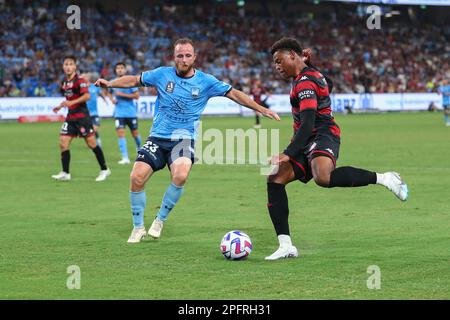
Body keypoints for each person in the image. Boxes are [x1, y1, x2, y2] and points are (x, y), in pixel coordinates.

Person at [95, 38, 280, 243]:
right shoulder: (161, 74)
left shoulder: (206, 81)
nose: (183, 59)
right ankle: (138, 227)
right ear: (174, 58)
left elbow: (234, 94)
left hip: (184, 139)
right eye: (180, 56)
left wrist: (261, 109)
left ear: (195, 57)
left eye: (187, 55)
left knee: (181, 175)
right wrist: (110, 83)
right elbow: (133, 80)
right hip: (157, 137)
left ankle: (159, 220)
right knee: (136, 178)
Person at [265, 37, 408, 260]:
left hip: (323, 134)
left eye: (279, 60)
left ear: (293, 54)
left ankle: (386, 178)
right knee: (275, 178)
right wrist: (309, 65)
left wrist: (287, 153)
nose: (277, 67)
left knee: (323, 177)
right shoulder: (311, 75)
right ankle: (286, 246)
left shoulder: (304, 82)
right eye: (275, 63)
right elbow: (327, 85)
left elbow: (309, 122)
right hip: (306, 138)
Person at [52, 56, 111, 182]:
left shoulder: (80, 80)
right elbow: (69, 100)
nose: (68, 66)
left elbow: (87, 96)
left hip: (82, 118)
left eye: (70, 64)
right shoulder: (64, 82)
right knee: (63, 142)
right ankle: (65, 173)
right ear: (63, 67)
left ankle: (105, 169)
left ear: (75, 67)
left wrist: (71, 102)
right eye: (66, 64)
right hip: (70, 117)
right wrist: (61, 106)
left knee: (92, 144)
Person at [111, 62, 142, 164]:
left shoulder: (130, 81)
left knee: (135, 134)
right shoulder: (113, 82)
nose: (119, 70)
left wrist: (122, 94)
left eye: (121, 68)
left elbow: (137, 96)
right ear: (115, 70)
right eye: (118, 68)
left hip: (130, 113)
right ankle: (125, 158)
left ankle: (140, 150)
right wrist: (112, 99)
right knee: (120, 134)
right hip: (119, 113)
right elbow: (107, 92)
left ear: (125, 70)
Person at [82, 72, 105, 147]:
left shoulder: (95, 86)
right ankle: (91, 142)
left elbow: (100, 93)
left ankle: (97, 140)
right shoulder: (82, 88)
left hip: (94, 113)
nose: (87, 78)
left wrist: (105, 99)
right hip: (86, 112)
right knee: (88, 130)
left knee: (94, 129)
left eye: (87, 77)